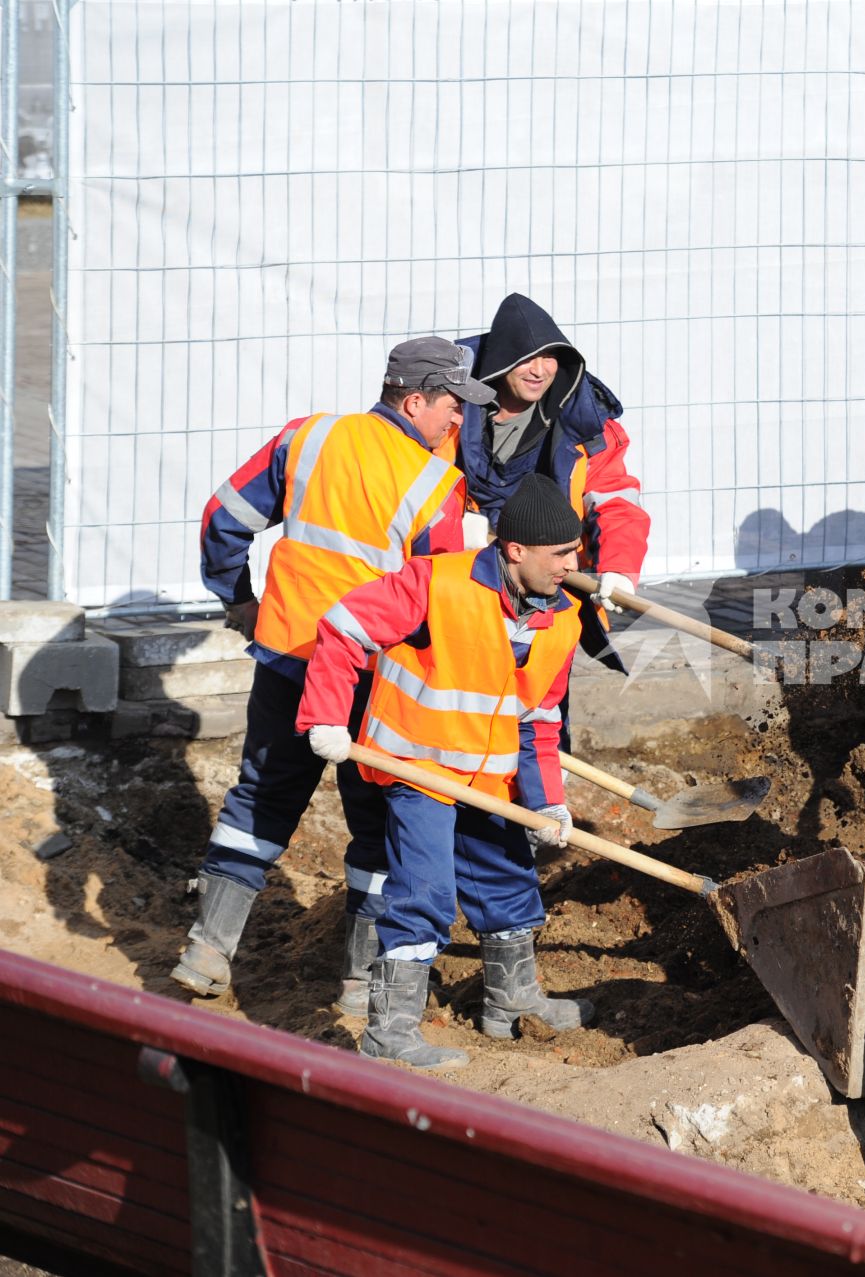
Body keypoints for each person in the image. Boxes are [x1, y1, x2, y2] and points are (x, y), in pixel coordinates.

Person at [175, 338, 488, 1011]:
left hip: (288, 655)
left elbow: (222, 518)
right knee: (377, 824)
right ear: (415, 400)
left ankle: (206, 948)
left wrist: (240, 599)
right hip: (369, 679)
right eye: (452, 406)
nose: (458, 421)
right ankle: (358, 984)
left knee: (259, 798)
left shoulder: (306, 438)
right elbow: (435, 597)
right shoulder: (436, 487)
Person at [298, 475, 593, 1070]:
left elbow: (538, 722)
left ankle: (511, 1002)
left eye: (575, 551)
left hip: (488, 778)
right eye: (561, 553)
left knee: (508, 878)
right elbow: (343, 627)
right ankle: (389, 1032)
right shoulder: (436, 582)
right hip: (418, 766)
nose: (573, 564)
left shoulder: (562, 620)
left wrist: (548, 803)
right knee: (425, 892)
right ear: (516, 550)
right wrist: (326, 716)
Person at [453, 294, 650, 666]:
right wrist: (450, 524)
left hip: (549, 586)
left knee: (541, 703)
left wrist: (620, 570)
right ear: (500, 361)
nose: (539, 370)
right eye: (526, 358)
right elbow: (410, 480)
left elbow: (615, 502)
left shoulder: (587, 427)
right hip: (465, 582)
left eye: (550, 358)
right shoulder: (453, 413)